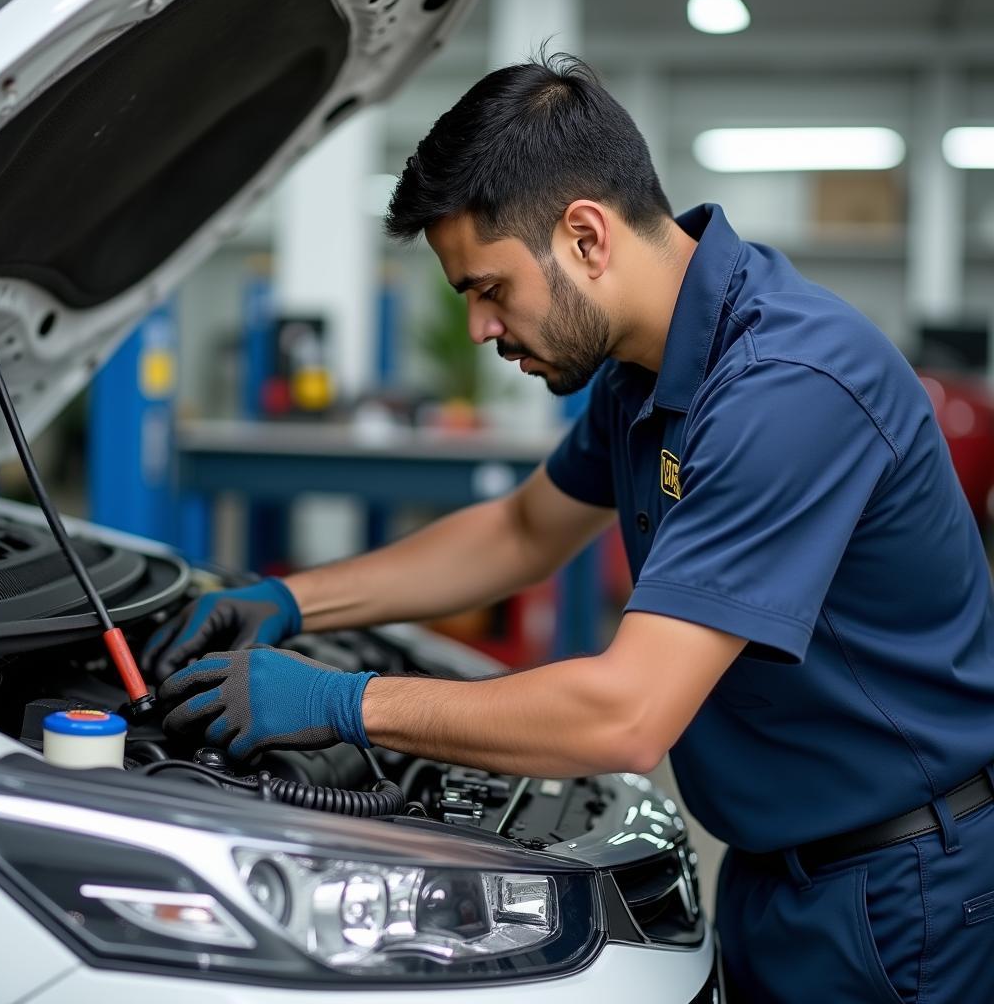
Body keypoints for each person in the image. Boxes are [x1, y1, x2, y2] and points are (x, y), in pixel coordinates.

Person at [148, 53, 994, 1003]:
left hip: (901, 893)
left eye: (487, 288)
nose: (477, 329)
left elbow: (626, 713)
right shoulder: (651, 360)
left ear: (585, 235)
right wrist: (289, 599)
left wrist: (343, 703)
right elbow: (521, 531)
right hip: (775, 873)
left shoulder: (786, 390)